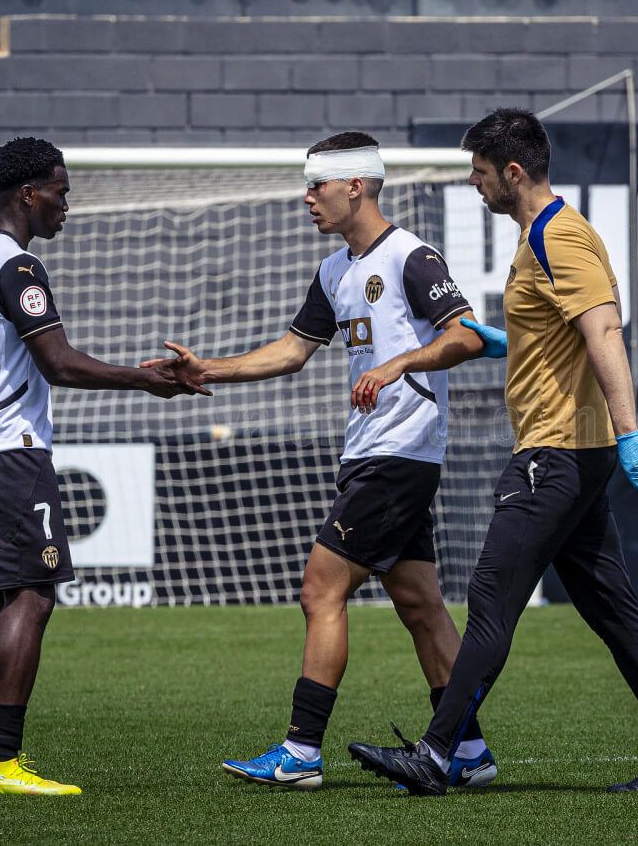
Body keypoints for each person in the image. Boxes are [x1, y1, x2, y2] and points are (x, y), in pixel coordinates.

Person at [347, 109, 638, 796]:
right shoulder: (538, 239)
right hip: (575, 450)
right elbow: (558, 335)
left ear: (513, 173)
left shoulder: (560, 238)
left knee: (490, 598)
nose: (473, 184)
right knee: (612, 608)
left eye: (480, 173)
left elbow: (604, 333)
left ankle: (436, 754)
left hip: (557, 452)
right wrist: (501, 341)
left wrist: (631, 429)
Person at [147, 131, 499, 791]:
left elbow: (465, 335)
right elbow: (291, 349)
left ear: (356, 186)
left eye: (317, 186)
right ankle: (470, 750)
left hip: (399, 454)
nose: (307, 198)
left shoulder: (410, 257)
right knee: (420, 603)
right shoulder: (335, 269)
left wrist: (398, 363)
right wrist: (208, 369)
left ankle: (301, 751)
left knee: (320, 588)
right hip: (374, 454)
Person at [0, 137, 189, 796]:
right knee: (34, 593)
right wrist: (143, 379)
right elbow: (59, 361)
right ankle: (0, 760)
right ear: (28, 194)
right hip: (6, 447)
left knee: (8, 595)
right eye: (59, 189)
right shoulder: (16, 267)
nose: (66, 203)